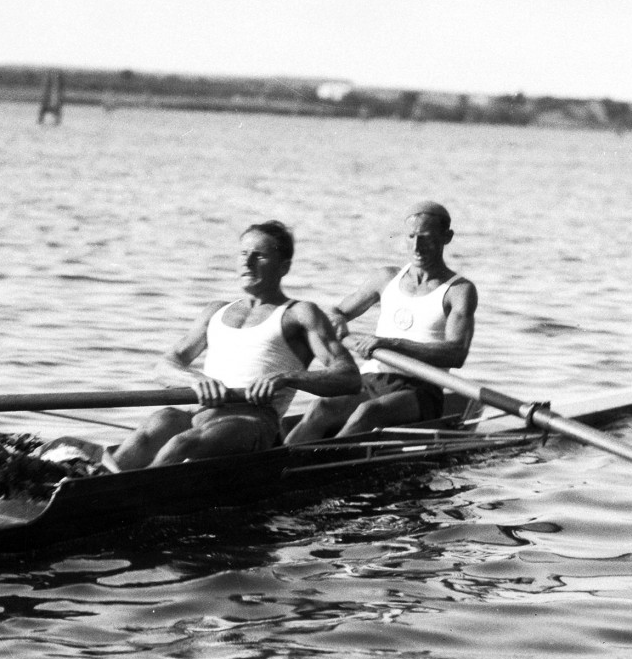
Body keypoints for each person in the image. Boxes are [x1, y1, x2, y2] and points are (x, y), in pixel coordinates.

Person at [108, 221, 359, 469]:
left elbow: (348, 378)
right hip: (203, 413)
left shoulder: (300, 313)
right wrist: (194, 379)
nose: (246, 262)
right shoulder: (216, 311)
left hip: (253, 421)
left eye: (258, 255)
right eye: (243, 253)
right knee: (159, 421)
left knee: (180, 445)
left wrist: (287, 378)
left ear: (284, 267)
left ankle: (123, 496)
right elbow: (165, 365)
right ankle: (95, 479)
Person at [286, 201, 478, 442]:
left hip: (421, 390)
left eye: (426, 237)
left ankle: (315, 465)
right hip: (372, 378)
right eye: (411, 236)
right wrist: (337, 320)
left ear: (446, 237)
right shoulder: (385, 278)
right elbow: (336, 312)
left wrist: (392, 344)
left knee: (368, 413)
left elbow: (456, 353)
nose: (416, 247)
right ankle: (278, 463)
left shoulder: (458, 290)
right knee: (320, 408)